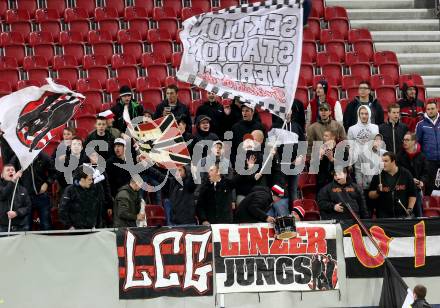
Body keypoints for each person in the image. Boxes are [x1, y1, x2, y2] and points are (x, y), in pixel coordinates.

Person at [13, 151, 56, 231]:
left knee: (46, 225)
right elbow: (10, 172)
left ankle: (47, 243)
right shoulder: (18, 157)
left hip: (42, 196)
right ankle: (27, 243)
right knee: (26, 227)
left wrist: (47, 183)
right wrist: (20, 190)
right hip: (25, 198)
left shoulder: (43, 156)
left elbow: (54, 172)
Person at [368, 152, 417, 218]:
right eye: (382, 161)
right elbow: (370, 195)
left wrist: (410, 208)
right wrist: (377, 192)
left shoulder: (406, 174)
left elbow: (412, 194)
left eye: (386, 161)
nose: (383, 163)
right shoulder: (378, 175)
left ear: (393, 161)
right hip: (383, 217)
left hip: (402, 215)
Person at [397, 132, 430, 217]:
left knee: (417, 198)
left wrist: (422, 181)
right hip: (403, 187)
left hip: (417, 188)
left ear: (414, 141)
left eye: (407, 140)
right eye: (403, 140)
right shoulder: (400, 155)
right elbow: (398, 171)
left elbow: (426, 172)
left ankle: (420, 219)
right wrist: (410, 179)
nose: (404, 142)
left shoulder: (421, 156)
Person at [416, 100, 440, 195]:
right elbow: (417, 144)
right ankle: (429, 207)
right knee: (429, 187)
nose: (430, 111)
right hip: (429, 161)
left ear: (437, 109)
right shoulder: (421, 125)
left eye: (432, 108)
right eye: (428, 109)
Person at [85, 151, 114, 227]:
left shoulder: (102, 170)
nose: (94, 158)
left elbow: (107, 188)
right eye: (92, 156)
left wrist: (109, 205)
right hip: (89, 203)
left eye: (96, 156)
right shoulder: (85, 169)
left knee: (101, 224)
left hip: (101, 203)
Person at [0, 165, 31, 232]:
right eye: (8, 170)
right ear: (2, 175)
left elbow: (28, 207)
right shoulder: (1, 188)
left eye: (13, 170)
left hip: (21, 227)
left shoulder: (23, 189)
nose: (11, 171)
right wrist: (13, 180)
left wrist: (17, 213)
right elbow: (3, 195)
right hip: (3, 228)